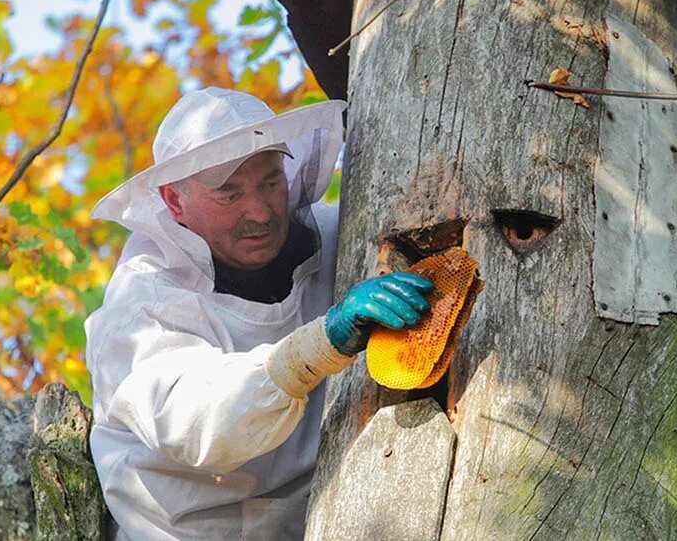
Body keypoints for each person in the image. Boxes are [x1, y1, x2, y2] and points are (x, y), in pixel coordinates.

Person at [85, 87, 433, 540]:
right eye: (229, 195)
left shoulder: (336, 235)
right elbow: (197, 423)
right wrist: (322, 343)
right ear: (174, 202)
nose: (261, 211)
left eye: (270, 182)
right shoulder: (142, 303)